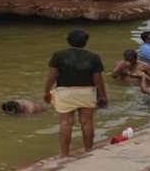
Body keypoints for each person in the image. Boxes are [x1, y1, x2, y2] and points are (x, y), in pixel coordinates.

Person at [45, 29, 107, 157]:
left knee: (65, 123)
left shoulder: (58, 55)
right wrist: (102, 95)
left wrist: (46, 91)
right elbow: (98, 79)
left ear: (68, 41)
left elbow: (52, 76)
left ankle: (64, 155)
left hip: (65, 92)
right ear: (85, 42)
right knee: (87, 122)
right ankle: (89, 151)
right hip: (87, 92)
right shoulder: (94, 57)